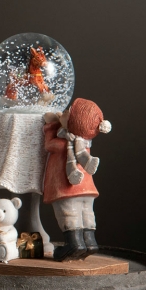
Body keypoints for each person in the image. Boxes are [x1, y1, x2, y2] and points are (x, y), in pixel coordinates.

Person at [42, 98, 112, 260]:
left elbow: (48, 145)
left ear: (72, 123)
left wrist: (51, 125)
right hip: (87, 188)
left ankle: (73, 244)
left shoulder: (63, 143)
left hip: (67, 187)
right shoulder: (85, 143)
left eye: (68, 112)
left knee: (69, 214)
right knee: (87, 213)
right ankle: (89, 242)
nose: (64, 111)